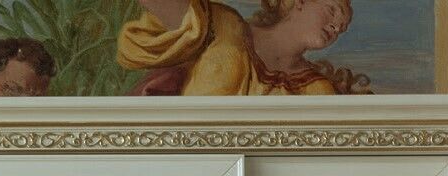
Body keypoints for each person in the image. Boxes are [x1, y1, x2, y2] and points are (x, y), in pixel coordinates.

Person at [117, 0, 366, 97]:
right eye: (333, 11)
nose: (336, 27)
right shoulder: (224, 26)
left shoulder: (317, 89)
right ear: (300, 2)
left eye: (342, 27)